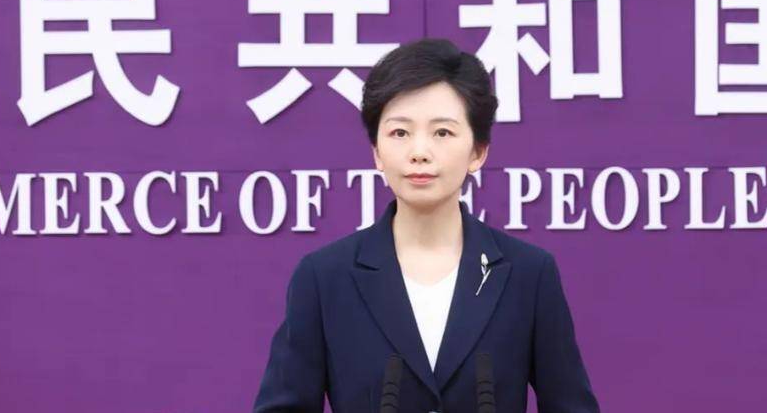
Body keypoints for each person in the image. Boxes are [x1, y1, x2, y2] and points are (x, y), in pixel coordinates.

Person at [252, 38, 600, 412]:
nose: (419, 152)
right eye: (400, 133)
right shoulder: (324, 278)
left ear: (478, 151)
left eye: (442, 132)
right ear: (377, 153)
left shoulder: (528, 274)